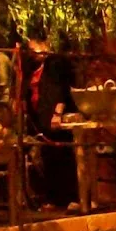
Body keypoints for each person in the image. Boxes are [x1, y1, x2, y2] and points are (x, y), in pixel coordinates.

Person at [25, 36, 77, 209]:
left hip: (54, 115)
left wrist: (57, 112)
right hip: (41, 118)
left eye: (34, 46)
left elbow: (61, 89)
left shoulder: (55, 63)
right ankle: (54, 198)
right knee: (49, 158)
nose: (32, 51)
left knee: (63, 155)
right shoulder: (34, 67)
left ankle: (71, 198)